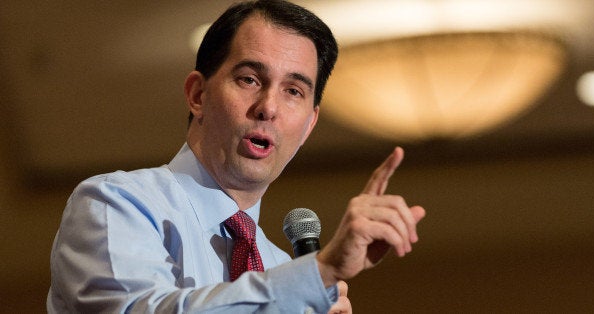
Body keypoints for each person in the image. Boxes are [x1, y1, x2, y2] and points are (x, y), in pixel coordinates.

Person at [47, 0, 426, 313]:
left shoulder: (285, 274)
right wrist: (320, 272)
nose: (268, 107)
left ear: (309, 126)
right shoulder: (116, 204)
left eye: (293, 91)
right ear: (198, 95)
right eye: (249, 79)